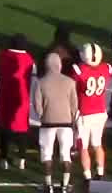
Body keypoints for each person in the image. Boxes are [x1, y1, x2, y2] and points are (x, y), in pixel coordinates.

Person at [33, 52, 79, 193]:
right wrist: (72, 118)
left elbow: (37, 105)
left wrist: (42, 115)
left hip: (47, 123)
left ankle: (49, 185)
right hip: (66, 123)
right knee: (66, 155)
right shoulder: (70, 82)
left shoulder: (41, 82)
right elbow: (74, 105)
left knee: (47, 155)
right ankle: (65, 185)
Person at [70, 43, 112, 183]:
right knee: (97, 144)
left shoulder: (78, 70)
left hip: (85, 113)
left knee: (83, 146)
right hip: (100, 112)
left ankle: (88, 176)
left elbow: (73, 88)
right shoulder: (106, 68)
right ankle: (100, 172)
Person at [0, 35, 34, 171]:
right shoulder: (29, 59)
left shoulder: (4, 55)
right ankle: (21, 158)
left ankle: (3, 159)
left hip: (5, 95)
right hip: (22, 95)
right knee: (22, 127)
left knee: (4, 126)